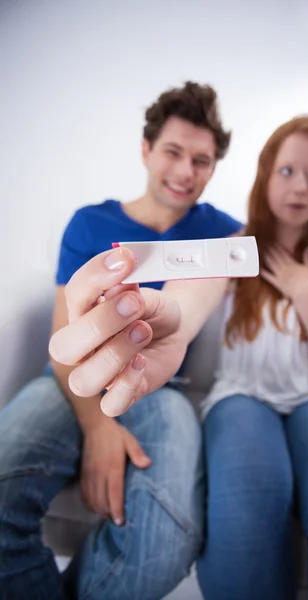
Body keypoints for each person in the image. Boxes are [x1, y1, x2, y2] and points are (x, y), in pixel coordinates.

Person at [50, 115, 308, 600]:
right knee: (247, 511)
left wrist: (304, 291)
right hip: (243, 395)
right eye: (287, 171)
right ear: (264, 174)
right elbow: (190, 295)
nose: (301, 186)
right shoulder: (234, 246)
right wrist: (172, 319)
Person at [0, 81, 242, 600]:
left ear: (214, 168)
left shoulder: (221, 231)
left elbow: (290, 233)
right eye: (173, 152)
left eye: (201, 161)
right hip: (72, 383)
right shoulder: (90, 223)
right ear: (146, 149)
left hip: (165, 390)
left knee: (168, 537)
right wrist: (99, 425)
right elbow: (63, 342)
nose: (184, 172)